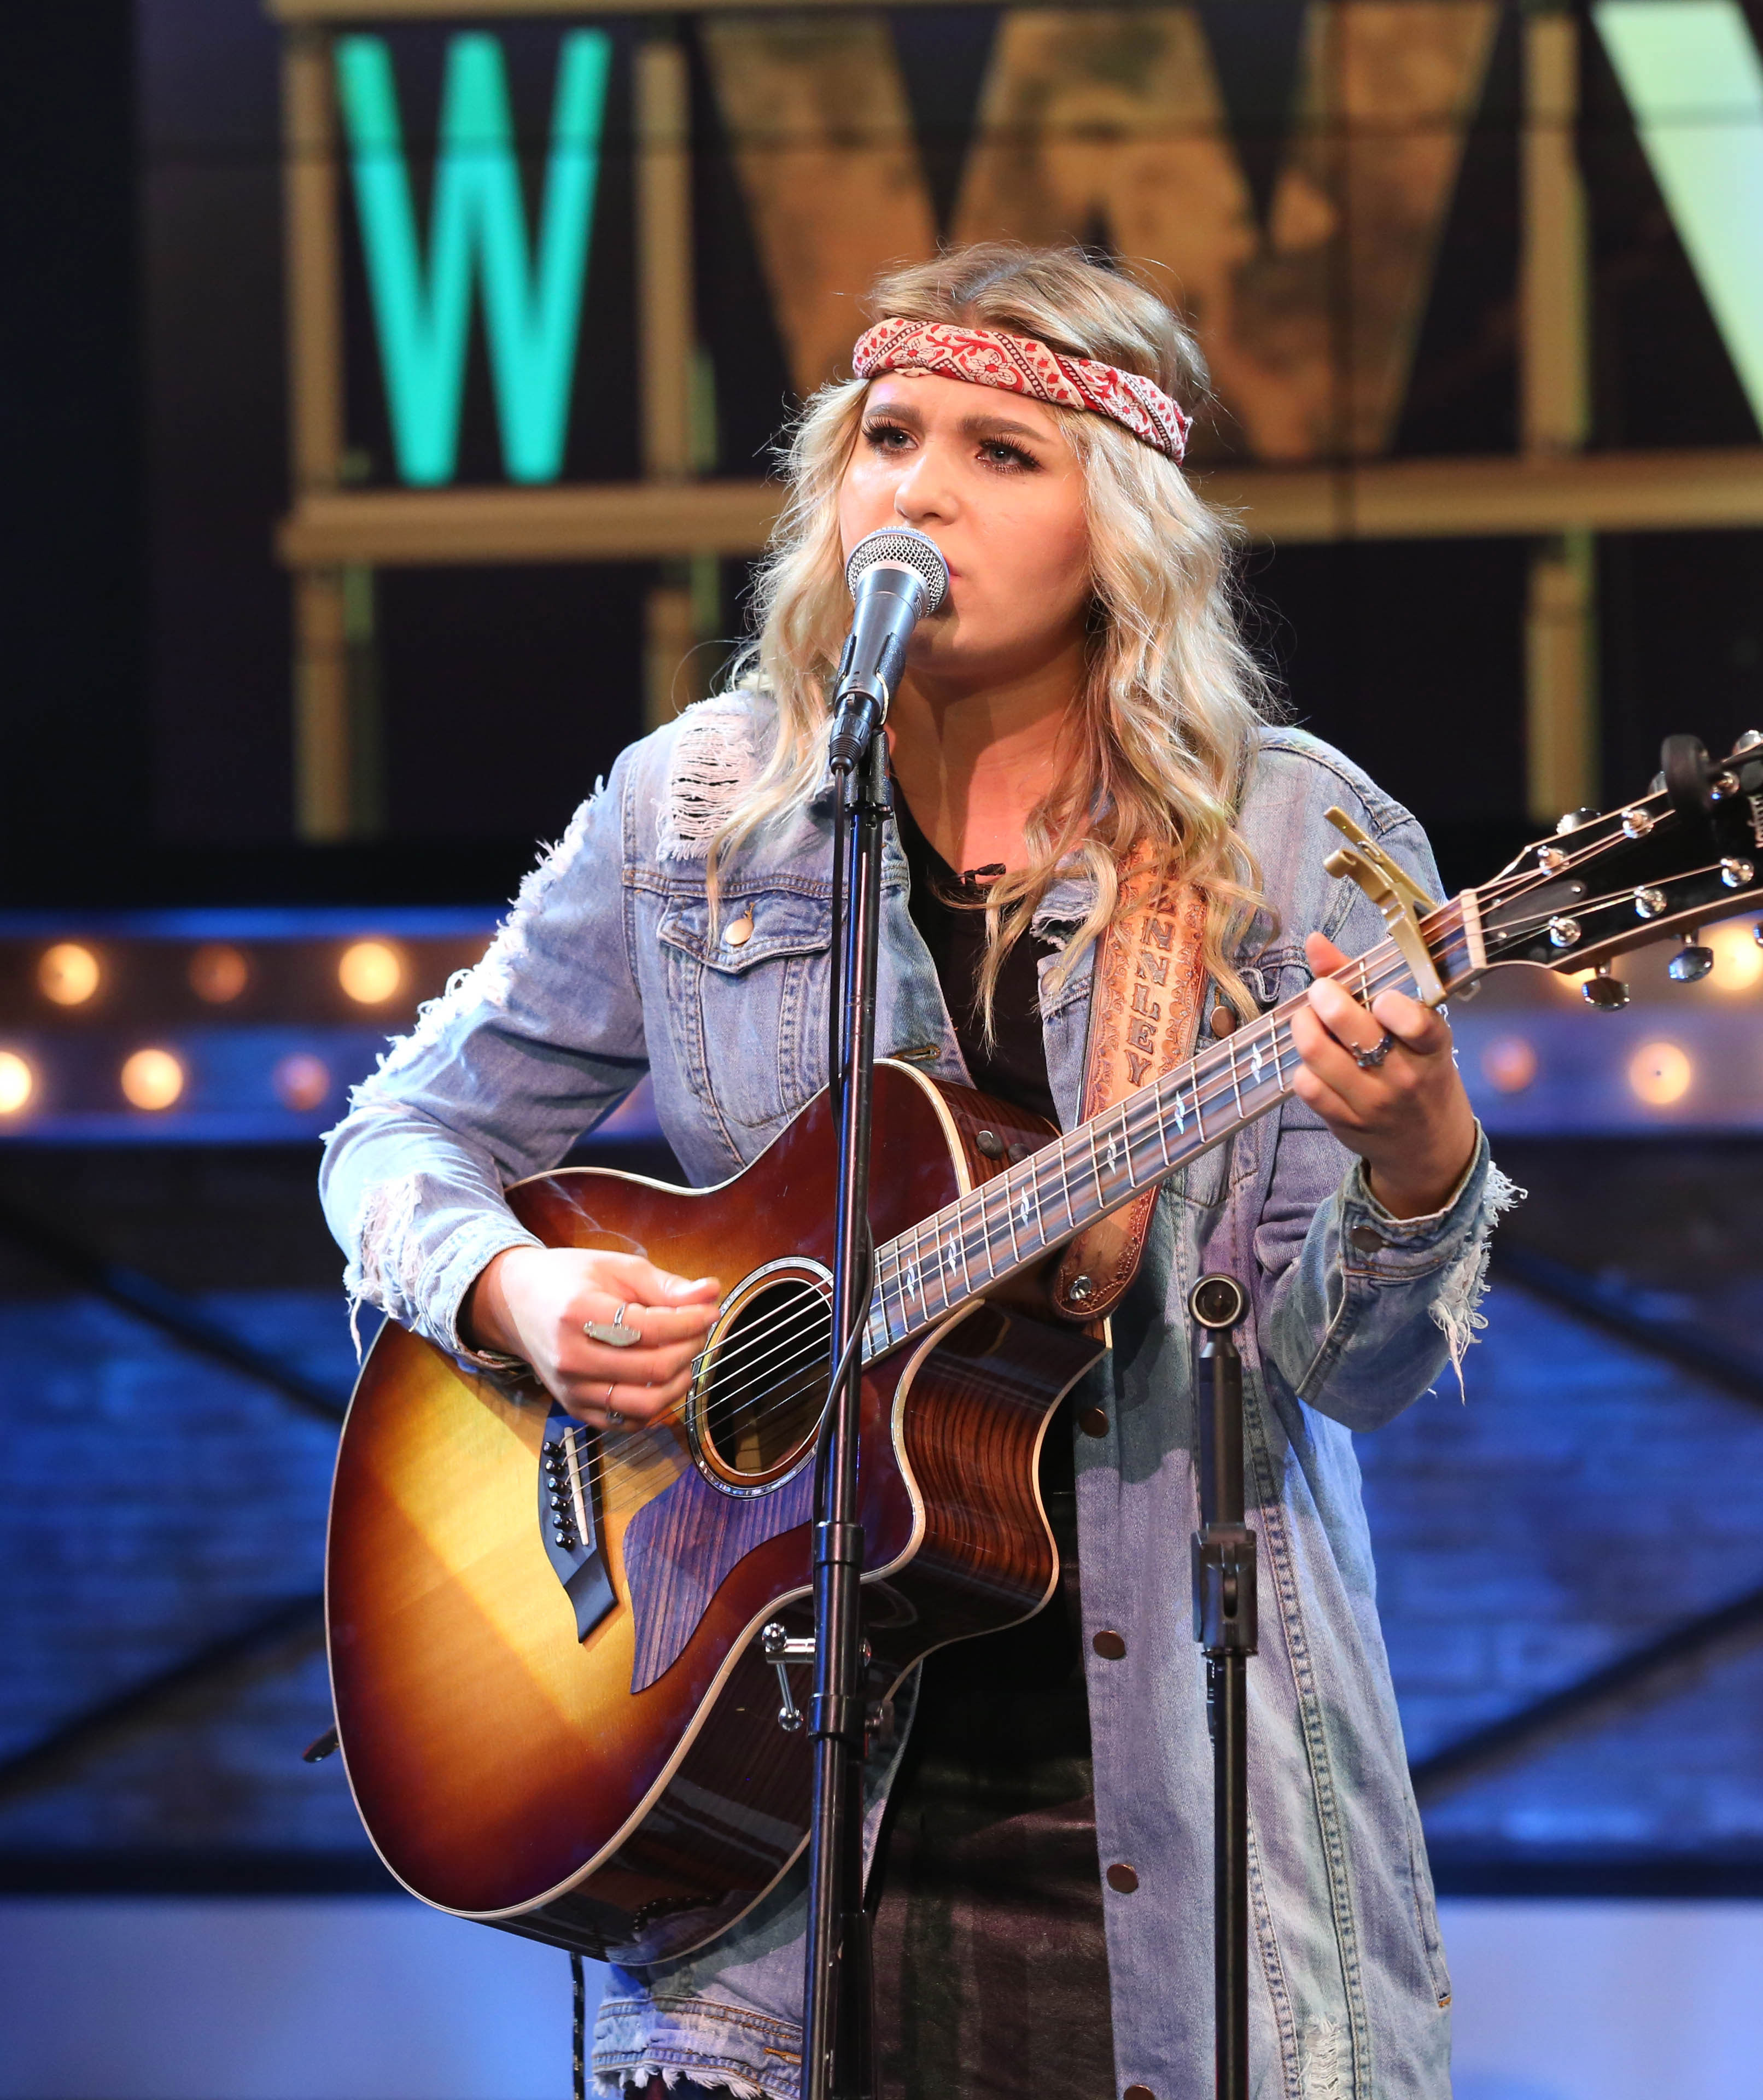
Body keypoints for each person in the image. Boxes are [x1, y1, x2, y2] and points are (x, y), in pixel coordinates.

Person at [320, 242, 1517, 2100]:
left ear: (1120, 526)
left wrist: (1419, 1159)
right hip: (753, 1843)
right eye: (888, 436)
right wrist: (518, 1290)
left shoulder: (1291, 834)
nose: (921, 490)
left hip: (1169, 1820)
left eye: (1001, 452)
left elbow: (1337, 1372)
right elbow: (399, 1139)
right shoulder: (693, 811)